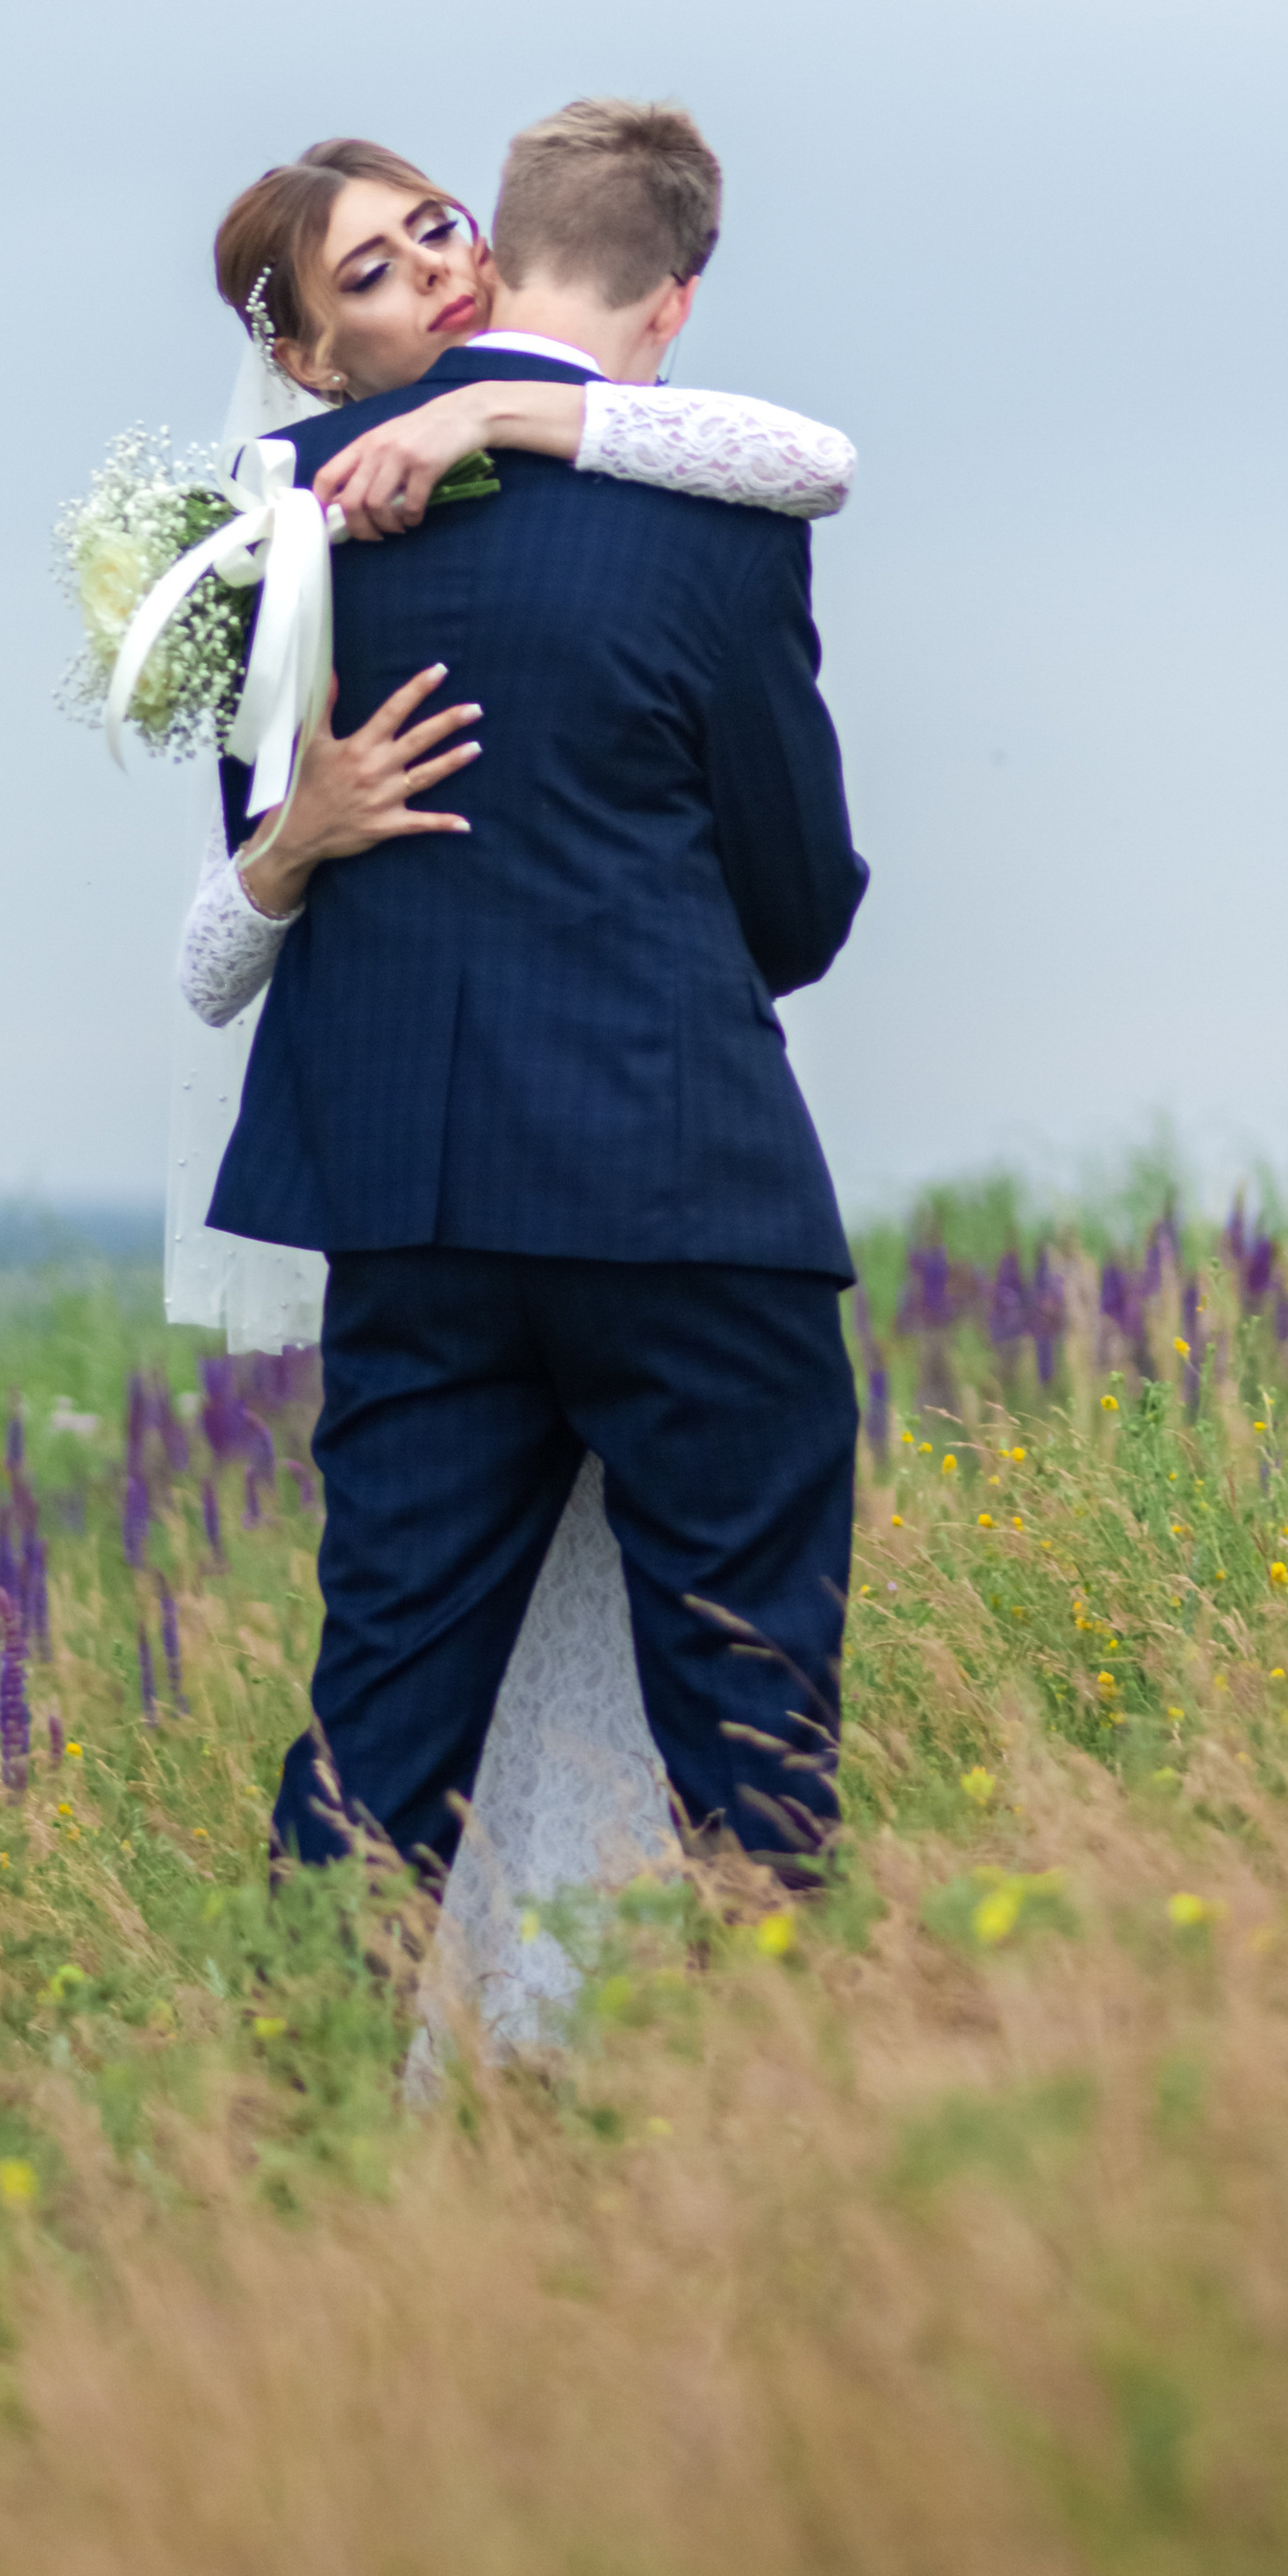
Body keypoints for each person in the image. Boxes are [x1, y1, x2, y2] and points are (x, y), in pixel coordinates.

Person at [185, 118, 864, 2043]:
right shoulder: (712, 506)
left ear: (493, 240)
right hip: (680, 1190)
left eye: (435, 231)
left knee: (380, 1715)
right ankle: (775, 2122)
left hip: (409, 1205)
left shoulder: (265, 528)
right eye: (374, 263)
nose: (429, 265)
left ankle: (298, 2144)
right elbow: (797, 905)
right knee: (749, 1713)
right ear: (676, 297)